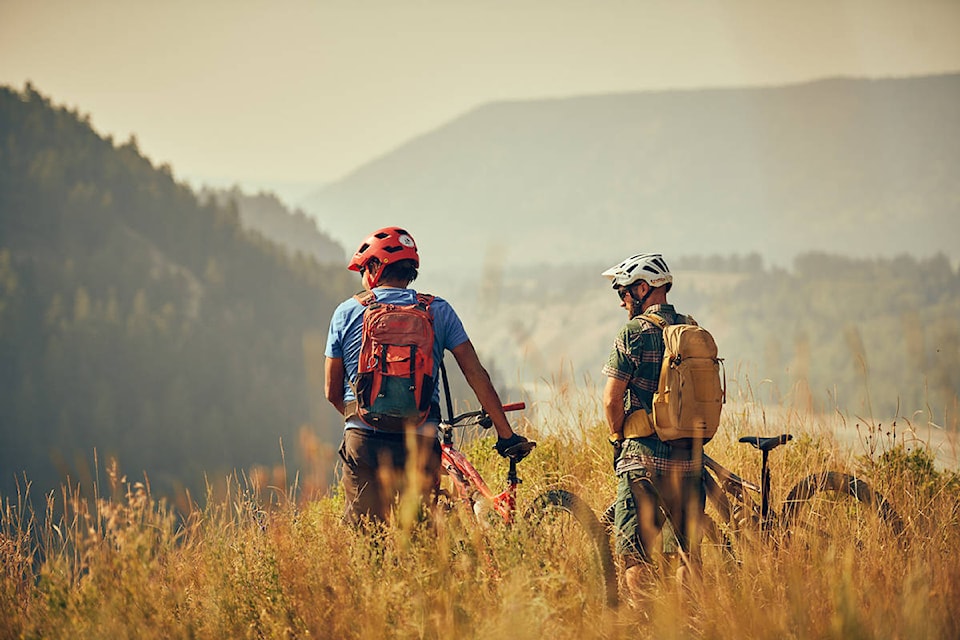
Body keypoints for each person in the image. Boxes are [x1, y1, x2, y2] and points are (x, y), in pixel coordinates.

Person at [325, 226, 527, 525]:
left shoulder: (346, 312)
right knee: (421, 544)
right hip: (420, 442)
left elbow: (331, 390)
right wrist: (505, 434)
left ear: (374, 269)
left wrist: (365, 415)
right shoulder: (438, 310)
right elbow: (475, 373)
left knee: (367, 546)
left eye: (365, 269)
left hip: (364, 441)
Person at [601, 253, 705, 597]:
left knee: (635, 556)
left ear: (644, 288)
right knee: (687, 556)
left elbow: (611, 400)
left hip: (642, 461)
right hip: (689, 461)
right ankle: (686, 626)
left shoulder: (633, 333)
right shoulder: (691, 328)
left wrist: (618, 437)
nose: (622, 302)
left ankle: (644, 626)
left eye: (623, 293)